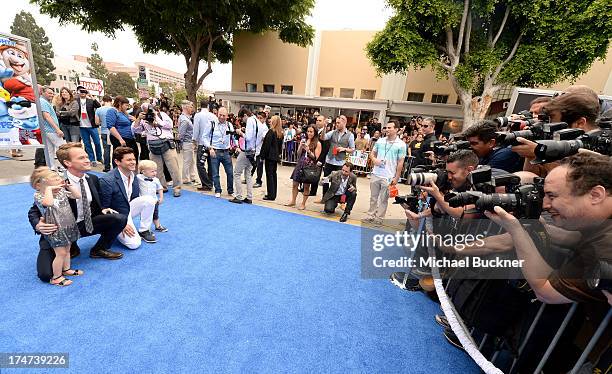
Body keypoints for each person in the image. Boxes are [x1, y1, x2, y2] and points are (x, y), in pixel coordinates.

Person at [486, 153, 612, 304]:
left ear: (596, 195)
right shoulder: (597, 224)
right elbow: (575, 239)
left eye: (552, 196)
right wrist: (537, 226)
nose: (545, 205)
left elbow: (546, 290)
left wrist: (516, 231)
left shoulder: (606, 247)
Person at [28, 143, 126, 283]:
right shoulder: (55, 180)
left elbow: (96, 201)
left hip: (84, 224)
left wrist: (104, 209)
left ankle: (99, 249)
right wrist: (38, 225)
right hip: (59, 230)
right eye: (81, 158)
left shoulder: (92, 178)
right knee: (45, 274)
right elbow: (34, 209)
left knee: (119, 218)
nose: (87, 160)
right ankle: (71, 250)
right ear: (68, 163)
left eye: (86, 156)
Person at [31, 167, 83, 286]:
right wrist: (49, 189)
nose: (59, 180)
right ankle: (56, 277)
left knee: (67, 250)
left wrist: (69, 187)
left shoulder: (61, 192)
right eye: (54, 179)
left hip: (68, 226)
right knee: (61, 253)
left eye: (59, 177)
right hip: (56, 230)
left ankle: (66, 269)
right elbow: (47, 203)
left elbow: (77, 196)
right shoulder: (39, 195)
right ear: (39, 185)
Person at [99, 147, 157, 247]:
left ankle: (144, 230)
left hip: (127, 208)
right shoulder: (107, 180)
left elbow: (134, 199)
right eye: (129, 160)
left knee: (150, 200)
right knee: (134, 244)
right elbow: (104, 208)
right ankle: (112, 228)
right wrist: (121, 223)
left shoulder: (134, 175)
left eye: (134, 159)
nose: (133, 162)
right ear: (117, 161)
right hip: (116, 213)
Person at [132, 103, 182, 197]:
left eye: (149, 110)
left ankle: (177, 188)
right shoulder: (143, 119)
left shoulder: (162, 115)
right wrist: (139, 119)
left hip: (167, 144)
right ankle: (162, 187)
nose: (148, 112)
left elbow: (170, 125)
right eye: (145, 110)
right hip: (153, 147)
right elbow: (135, 130)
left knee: (173, 168)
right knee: (156, 169)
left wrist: (157, 120)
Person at [365, 120, 406, 224]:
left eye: (389, 128)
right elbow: (372, 154)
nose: (387, 129)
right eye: (386, 128)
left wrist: (396, 177)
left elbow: (400, 162)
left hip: (388, 176)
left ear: (396, 129)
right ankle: (370, 215)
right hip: (375, 174)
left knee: (383, 199)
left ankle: (379, 218)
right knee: (373, 197)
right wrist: (375, 160)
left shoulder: (401, 144)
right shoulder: (380, 141)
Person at [230, 108, 267, 204]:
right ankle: (249, 197)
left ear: (245, 115)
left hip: (247, 151)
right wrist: (245, 131)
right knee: (248, 175)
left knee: (237, 173)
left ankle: (238, 196)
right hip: (254, 152)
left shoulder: (250, 120)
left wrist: (240, 133)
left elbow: (249, 137)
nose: (242, 121)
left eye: (242, 119)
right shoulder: (257, 121)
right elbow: (257, 136)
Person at [286, 125, 322, 210]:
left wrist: (308, 150)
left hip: (309, 166)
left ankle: (303, 203)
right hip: (300, 163)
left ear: (315, 133)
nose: (309, 133)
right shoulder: (304, 140)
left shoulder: (318, 143)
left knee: (306, 186)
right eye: (308, 131)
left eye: (311, 132)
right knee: (295, 183)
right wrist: (300, 147)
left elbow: (315, 157)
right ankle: (293, 201)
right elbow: (298, 154)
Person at [320, 115, 355, 199]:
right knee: (326, 180)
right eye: (336, 123)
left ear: (344, 122)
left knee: (340, 182)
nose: (337, 124)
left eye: (338, 123)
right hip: (329, 160)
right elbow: (323, 138)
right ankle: (324, 198)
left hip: (340, 162)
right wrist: (324, 127)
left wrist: (344, 149)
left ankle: (340, 200)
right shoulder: (333, 132)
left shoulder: (350, 135)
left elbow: (353, 149)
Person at [204, 106, 234, 198]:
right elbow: (205, 137)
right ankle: (217, 190)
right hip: (215, 151)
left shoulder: (229, 125)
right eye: (220, 115)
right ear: (217, 114)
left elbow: (232, 137)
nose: (221, 117)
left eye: (223, 115)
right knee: (215, 173)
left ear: (227, 116)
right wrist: (210, 148)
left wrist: (236, 146)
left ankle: (230, 190)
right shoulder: (211, 124)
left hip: (226, 152)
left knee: (230, 172)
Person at [137, 160, 167, 232]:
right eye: (152, 171)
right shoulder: (138, 177)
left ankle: (158, 226)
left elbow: (160, 188)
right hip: (143, 201)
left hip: (154, 200)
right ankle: (146, 228)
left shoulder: (156, 180)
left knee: (155, 214)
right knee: (145, 215)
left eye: (155, 171)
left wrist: (161, 197)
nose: (155, 173)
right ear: (143, 172)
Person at [39, 86, 65, 170]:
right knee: (62, 148)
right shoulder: (43, 102)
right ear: (43, 92)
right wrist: (57, 129)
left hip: (47, 130)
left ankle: (52, 167)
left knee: (50, 150)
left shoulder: (44, 102)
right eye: (49, 93)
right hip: (51, 129)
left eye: (52, 93)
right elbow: (46, 116)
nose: (52, 95)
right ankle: (64, 166)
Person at [75, 85, 102, 166]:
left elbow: (98, 106)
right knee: (87, 144)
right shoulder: (75, 101)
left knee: (97, 142)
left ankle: (99, 157)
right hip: (82, 126)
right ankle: (92, 159)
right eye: (81, 91)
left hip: (91, 125)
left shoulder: (90, 101)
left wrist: (91, 96)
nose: (83, 93)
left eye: (84, 91)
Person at [107, 96, 139, 161]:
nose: (127, 107)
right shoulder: (112, 111)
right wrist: (120, 139)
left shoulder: (124, 112)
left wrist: (135, 119)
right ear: (119, 104)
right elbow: (111, 127)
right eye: (126, 105)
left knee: (134, 155)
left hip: (130, 138)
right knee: (121, 158)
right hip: (121, 138)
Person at [192, 100, 214, 191]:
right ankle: (210, 182)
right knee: (211, 163)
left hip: (202, 142)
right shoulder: (213, 115)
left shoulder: (198, 115)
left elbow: (196, 129)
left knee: (200, 163)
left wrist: (194, 140)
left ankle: (206, 183)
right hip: (211, 143)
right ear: (208, 106)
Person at [260, 115, 283, 200]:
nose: (270, 121)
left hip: (269, 157)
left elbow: (266, 146)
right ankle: (273, 194)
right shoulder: (280, 133)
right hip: (275, 157)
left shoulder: (271, 132)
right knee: (273, 175)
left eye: (271, 120)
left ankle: (270, 195)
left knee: (269, 176)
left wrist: (262, 156)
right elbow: (280, 147)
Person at [178, 100, 196, 184]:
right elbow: (181, 134)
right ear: (185, 107)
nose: (192, 108)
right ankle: (185, 179)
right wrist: (182, 143)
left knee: (191, 161)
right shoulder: (185, 120)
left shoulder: (186, 118)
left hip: (189, 142)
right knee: (187, 161)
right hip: (187, 142)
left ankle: (191, 177)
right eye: (191, 106)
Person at [95, 95, 113, 172]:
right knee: (116, 149)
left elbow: (96, 122)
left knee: (106, 150)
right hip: (113, 132)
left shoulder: (98, 110)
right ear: (111, 101)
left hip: (104, 131)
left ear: (103, 101)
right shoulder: (114, 109)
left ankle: (107, 167)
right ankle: (115, 166)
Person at [253, 111, 269, 188]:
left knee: (259, 166)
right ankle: (248, 177)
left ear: (264, 119)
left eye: (261, 118)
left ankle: (259, 181)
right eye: (258, 118)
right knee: (252, 164)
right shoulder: (256, 125)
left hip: (261, 150)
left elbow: (263, 138)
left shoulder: (265, 128)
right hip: (255, 148)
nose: (259, 119)